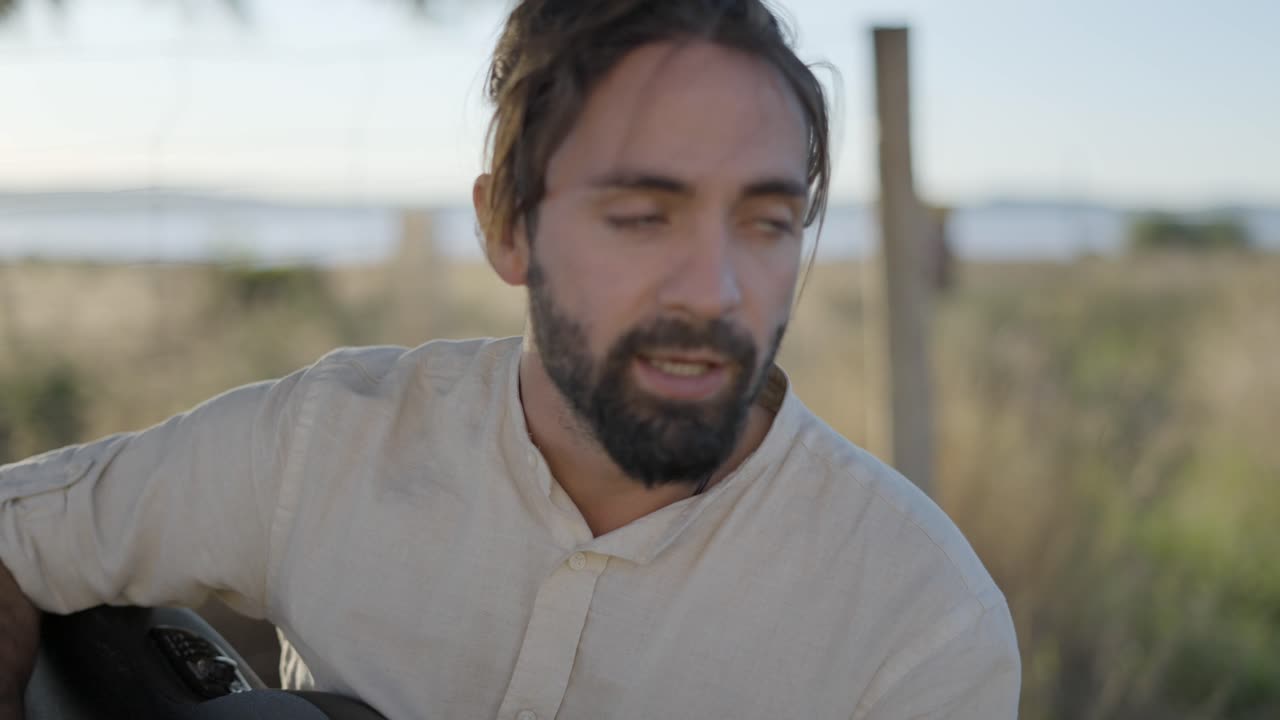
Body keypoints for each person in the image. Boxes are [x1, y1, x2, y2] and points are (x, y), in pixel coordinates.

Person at [0, 1, 1020, 718]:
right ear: (505, 227)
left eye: (764, 223)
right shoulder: (327, 443)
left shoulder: (917, 623)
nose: (714, 290)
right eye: (639, 215)